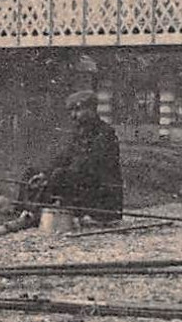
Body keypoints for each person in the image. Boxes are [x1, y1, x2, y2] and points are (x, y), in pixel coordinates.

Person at [26, 89, 124, 223]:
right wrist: (44, 173)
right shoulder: (78, 133)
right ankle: (23, 211)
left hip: (101, 192)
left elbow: (90, 165)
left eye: (77, 110)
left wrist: (56, 174)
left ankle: (34, 215)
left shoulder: (105, 133)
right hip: (82, 180)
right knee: (32, 172)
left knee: (60, 174)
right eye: (71, 111)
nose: (73, 115)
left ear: (91, 109)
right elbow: (64, 156)